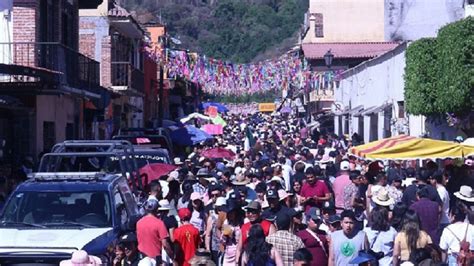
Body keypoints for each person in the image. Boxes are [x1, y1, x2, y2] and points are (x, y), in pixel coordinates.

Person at [136, 199, 174, 265]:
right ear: (157, 210)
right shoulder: (159, 223)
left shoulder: (139, 223)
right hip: (155, 259)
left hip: (142, 258)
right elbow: (165, 244)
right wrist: (171, 255)